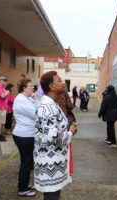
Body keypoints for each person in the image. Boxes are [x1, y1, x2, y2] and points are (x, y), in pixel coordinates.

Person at [34, 71, 78, 200]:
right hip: (49, 163)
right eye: (59, 81)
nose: (63, 83)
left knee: (54, 194)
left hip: (54, 160)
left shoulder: (53, 104)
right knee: (51, 196)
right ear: (51, 86)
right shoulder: (46, 106)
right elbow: (53, 138)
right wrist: (71, 132)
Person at [12, 79, 38, 197]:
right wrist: (35, 100)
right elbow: (36, 114)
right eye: (30, 86)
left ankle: (25, 184)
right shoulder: (21, 100)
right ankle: (22, 189)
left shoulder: (26, 99)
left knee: (27, 161)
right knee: (26, 162)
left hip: (27, 134)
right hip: (24, 135)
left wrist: (34, 99)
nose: (33, 88)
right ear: (24, 88)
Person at [0, 76, 9, 142]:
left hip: (2, 108)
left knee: (1, 122)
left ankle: (0, 134)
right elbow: (2, 96)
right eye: (4, 80)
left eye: (5, 80)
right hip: (0, 107)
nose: (5, 82)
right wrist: (7, 92)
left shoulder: (2, 88)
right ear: (0, 81)